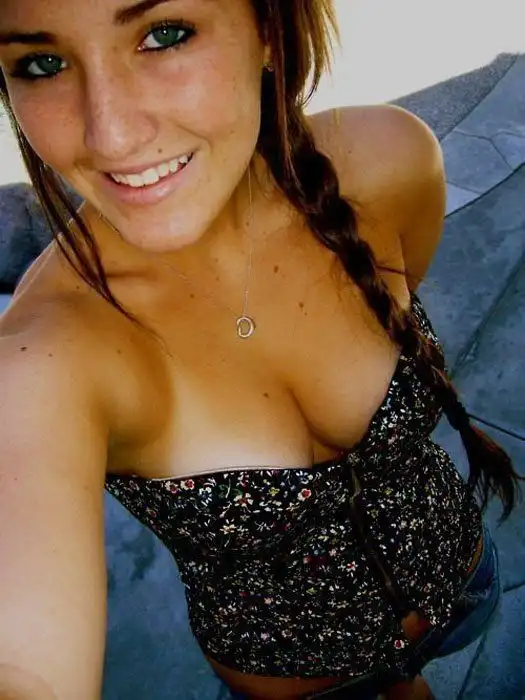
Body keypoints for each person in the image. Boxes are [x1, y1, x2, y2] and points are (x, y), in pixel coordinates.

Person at [0, 1, 521, 699]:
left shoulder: (383, 163)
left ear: (268, 31)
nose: (112, 134)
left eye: (165, 34)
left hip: (454, 577)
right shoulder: (42, 361)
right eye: (42, 63)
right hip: (298, 680)